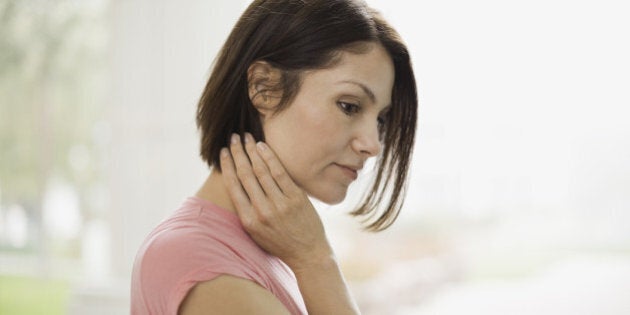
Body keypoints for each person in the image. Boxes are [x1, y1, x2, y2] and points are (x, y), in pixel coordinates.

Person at [130, 0, 417, 314]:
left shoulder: (273, 251)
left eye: (381, 120)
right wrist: (317, 260)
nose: (373, 144)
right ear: (264, 87)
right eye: (349, 105)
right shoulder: (195, 258)